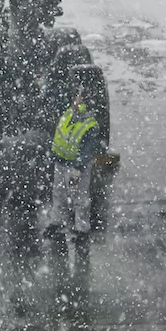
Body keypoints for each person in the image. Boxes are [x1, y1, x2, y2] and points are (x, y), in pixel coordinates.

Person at [43, 85, 99, 257]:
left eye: (79, 97)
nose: (75, 100)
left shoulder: (89, 125)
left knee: (79, 197)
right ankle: (57, 222)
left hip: (75, 167)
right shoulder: (70, 114)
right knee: (59, 193)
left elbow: (86, 151)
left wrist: (77, 170)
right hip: (61, 162)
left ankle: (82, 230)